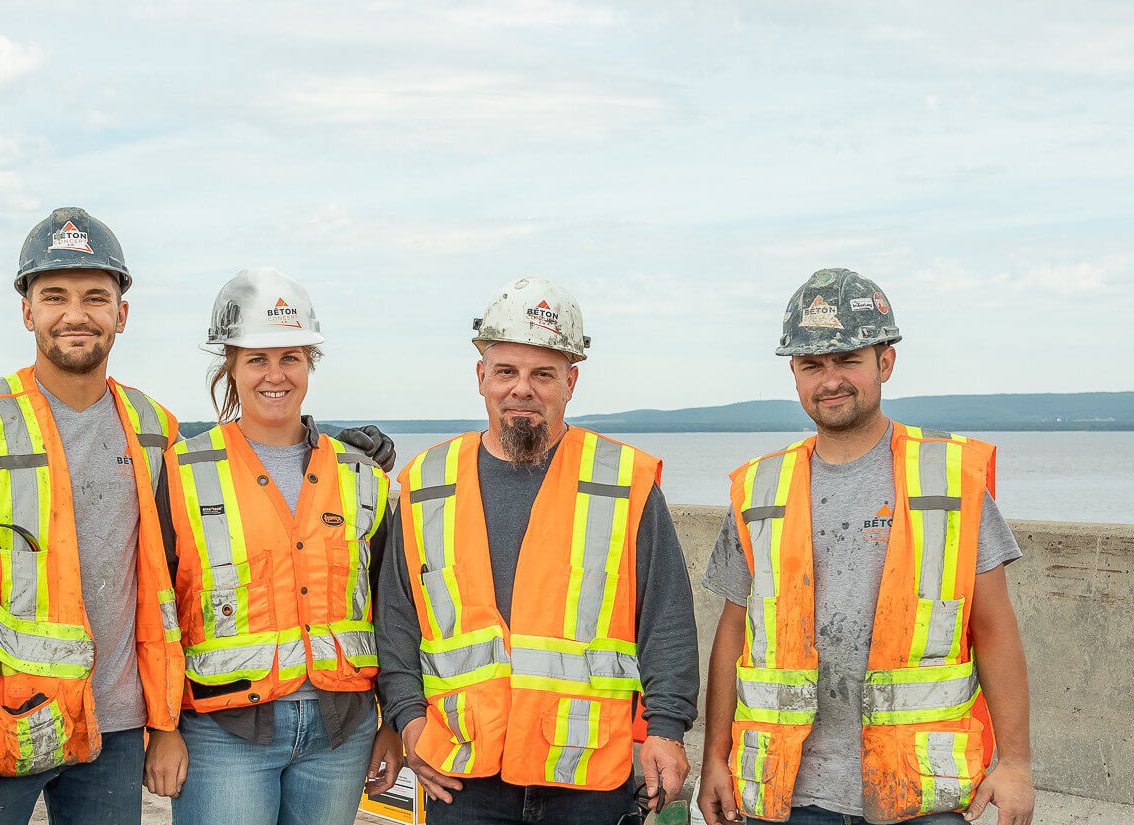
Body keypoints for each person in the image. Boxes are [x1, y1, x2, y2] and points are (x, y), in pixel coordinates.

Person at [694, 269, 1036, 825]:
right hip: (787, 793)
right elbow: (733, 632)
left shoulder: (949, 481)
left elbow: (994, 626)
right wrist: (714, 759)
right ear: (795, 376)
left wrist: (1016, 763)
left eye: (848, 359)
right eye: (812, 365)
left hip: (923, 793)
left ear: (885, 362)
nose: (830, 380)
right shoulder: (759, 489)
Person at [375, 277, 701, 825]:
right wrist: (408, 721)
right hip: (462, 777)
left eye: (542, 374)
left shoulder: (624, 482)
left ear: (570, 382)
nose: (521, 388)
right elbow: (396, 618)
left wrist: (666, 729)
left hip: (591, 779)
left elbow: (666, 619)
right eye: (506, 371)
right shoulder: (426, 482)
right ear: (481, 376)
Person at [0, 208, 185, 825]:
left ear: (122, 314)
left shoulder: (154, 430)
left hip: (113, 728)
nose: (75, 313)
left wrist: (338, 450)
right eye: (54, 295)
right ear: (28, 312)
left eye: (95, 296)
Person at [140, 267, 405, 825]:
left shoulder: (362, 474)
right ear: (230, 368)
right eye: (257, 359)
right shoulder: (184, 472)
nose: (275, 375)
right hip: (223, 732)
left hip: (342, 729)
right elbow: (154, 608)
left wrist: (393, 723)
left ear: (311, 363)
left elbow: (395, 610)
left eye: (291, 358)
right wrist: (161, 728)